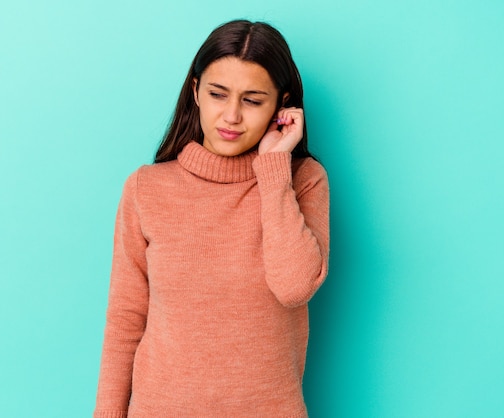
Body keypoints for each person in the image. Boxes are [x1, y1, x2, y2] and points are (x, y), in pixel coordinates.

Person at [94, 19, 330, 418]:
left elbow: (294, 287)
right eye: (218, 94)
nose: (232, 116)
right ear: (196, 92)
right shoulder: (146, 189)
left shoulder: (302, 180)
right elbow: (125, 321)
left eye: (253, 100)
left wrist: (274, 167)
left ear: (281, 106)